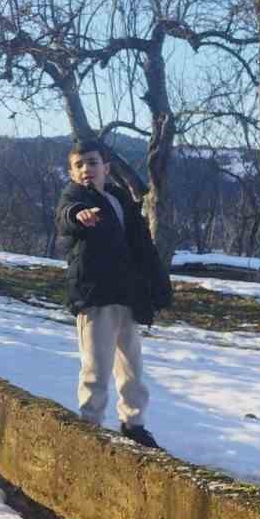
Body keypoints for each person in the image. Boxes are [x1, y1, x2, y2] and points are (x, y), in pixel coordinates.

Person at [55, 138, 172, 449]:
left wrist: (158, 284)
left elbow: (143, 248)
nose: (86, 170)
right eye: (78, 165)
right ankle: (89, 427)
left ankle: (133, 424)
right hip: (95, 297)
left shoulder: (121, 200)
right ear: (71, 172)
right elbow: (66, 216)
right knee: (95, 368)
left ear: (106, 168)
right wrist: (77, 215)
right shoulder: (74, 197)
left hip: (127, 297)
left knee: (131, 369)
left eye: (92, 163)